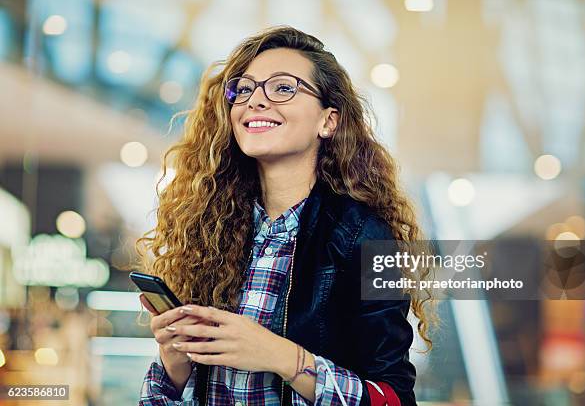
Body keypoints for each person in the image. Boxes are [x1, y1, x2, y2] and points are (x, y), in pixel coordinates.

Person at [137, 25, 433, 406]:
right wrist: (175, 362)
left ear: (329, 121)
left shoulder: (367, 235)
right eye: (243, 89)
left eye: (283, 87)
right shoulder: (209, 229)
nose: (255, 101)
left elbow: (392, 398)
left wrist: (278, 355)